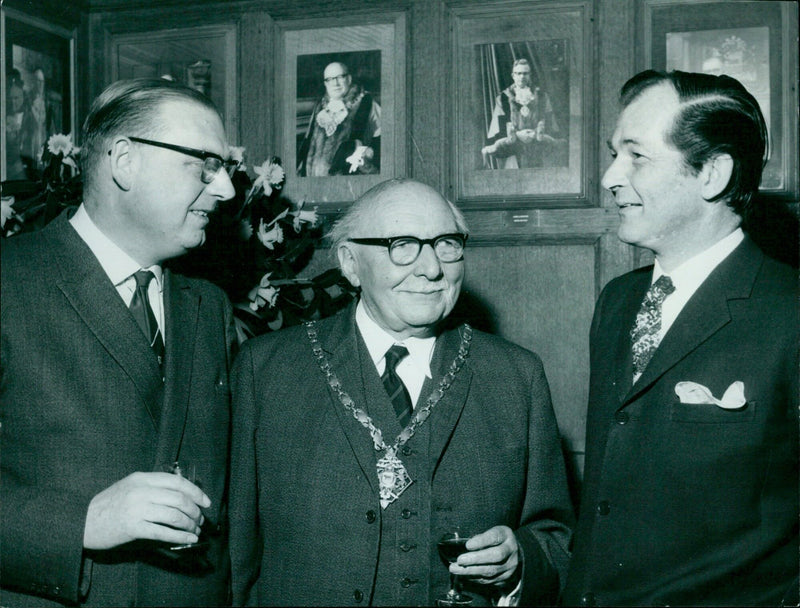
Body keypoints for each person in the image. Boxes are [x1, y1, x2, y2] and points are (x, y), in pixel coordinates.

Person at [229, 177, 574, 606]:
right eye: (402, 245)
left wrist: (518, 561)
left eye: (446, 243)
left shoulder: (516, 377)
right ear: (351, 264)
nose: (432, 268)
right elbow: (235, 554)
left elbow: (556, 541)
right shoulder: (266, 370)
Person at [563, 70, 799, 606]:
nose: (608, 177)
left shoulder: (790, 312)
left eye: (636, 156)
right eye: (613, 153)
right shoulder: (618, 301)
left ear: (712, 174)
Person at [1, 78, 239, 606]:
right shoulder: (8, 283)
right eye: (203, 164)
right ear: (125, 161)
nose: (226, 190)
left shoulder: (208, 306)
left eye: (225, 169)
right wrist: (82, 522)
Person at [297, 60, 381, 176]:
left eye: (340, 77)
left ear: (349, 79)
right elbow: (307, 143)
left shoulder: (367, 103)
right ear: (325, 83)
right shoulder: (319, 106)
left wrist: (366, 153)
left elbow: (380, 142)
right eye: (329, 79)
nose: (335, 83)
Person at [481, 58, 562, 169]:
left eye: (525, 73)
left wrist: (535, 133)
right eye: (518, 73)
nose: (522, 77)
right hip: (513, 151)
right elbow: (498, 128)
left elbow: (550, 123)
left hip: (537, 149)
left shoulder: (542, 96)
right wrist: (518, 135)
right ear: (513, 75)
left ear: (529, 75)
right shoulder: (503, 98)